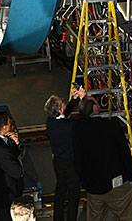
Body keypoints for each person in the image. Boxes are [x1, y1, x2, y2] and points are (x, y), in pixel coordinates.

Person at [71, 97, 132, 221]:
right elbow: (124, 153)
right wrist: (131, 177)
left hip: (94, 187)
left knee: (95, 217)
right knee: (126, 215)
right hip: (117, 186)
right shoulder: (111, 125)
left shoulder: (78, 129)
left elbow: (78, 160)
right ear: (95, 108)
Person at [44, 87, 86, 221]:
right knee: (74, 194)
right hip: (71, 163)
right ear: (60, 108)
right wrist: (83, 99)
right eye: (62, 102)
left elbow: (64, 114)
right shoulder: (69, 126)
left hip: (58, 161)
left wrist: (73, 100)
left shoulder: (50, 121)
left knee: (61, 190)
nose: (64, 102)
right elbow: (85, 119)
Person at [0, 111, 25, 220]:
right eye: (9, 123)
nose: (12, 125)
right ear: (5, 127)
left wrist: (16, 144)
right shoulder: (1, 148)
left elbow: (12, 155)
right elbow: (16, 171)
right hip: (6, 194)